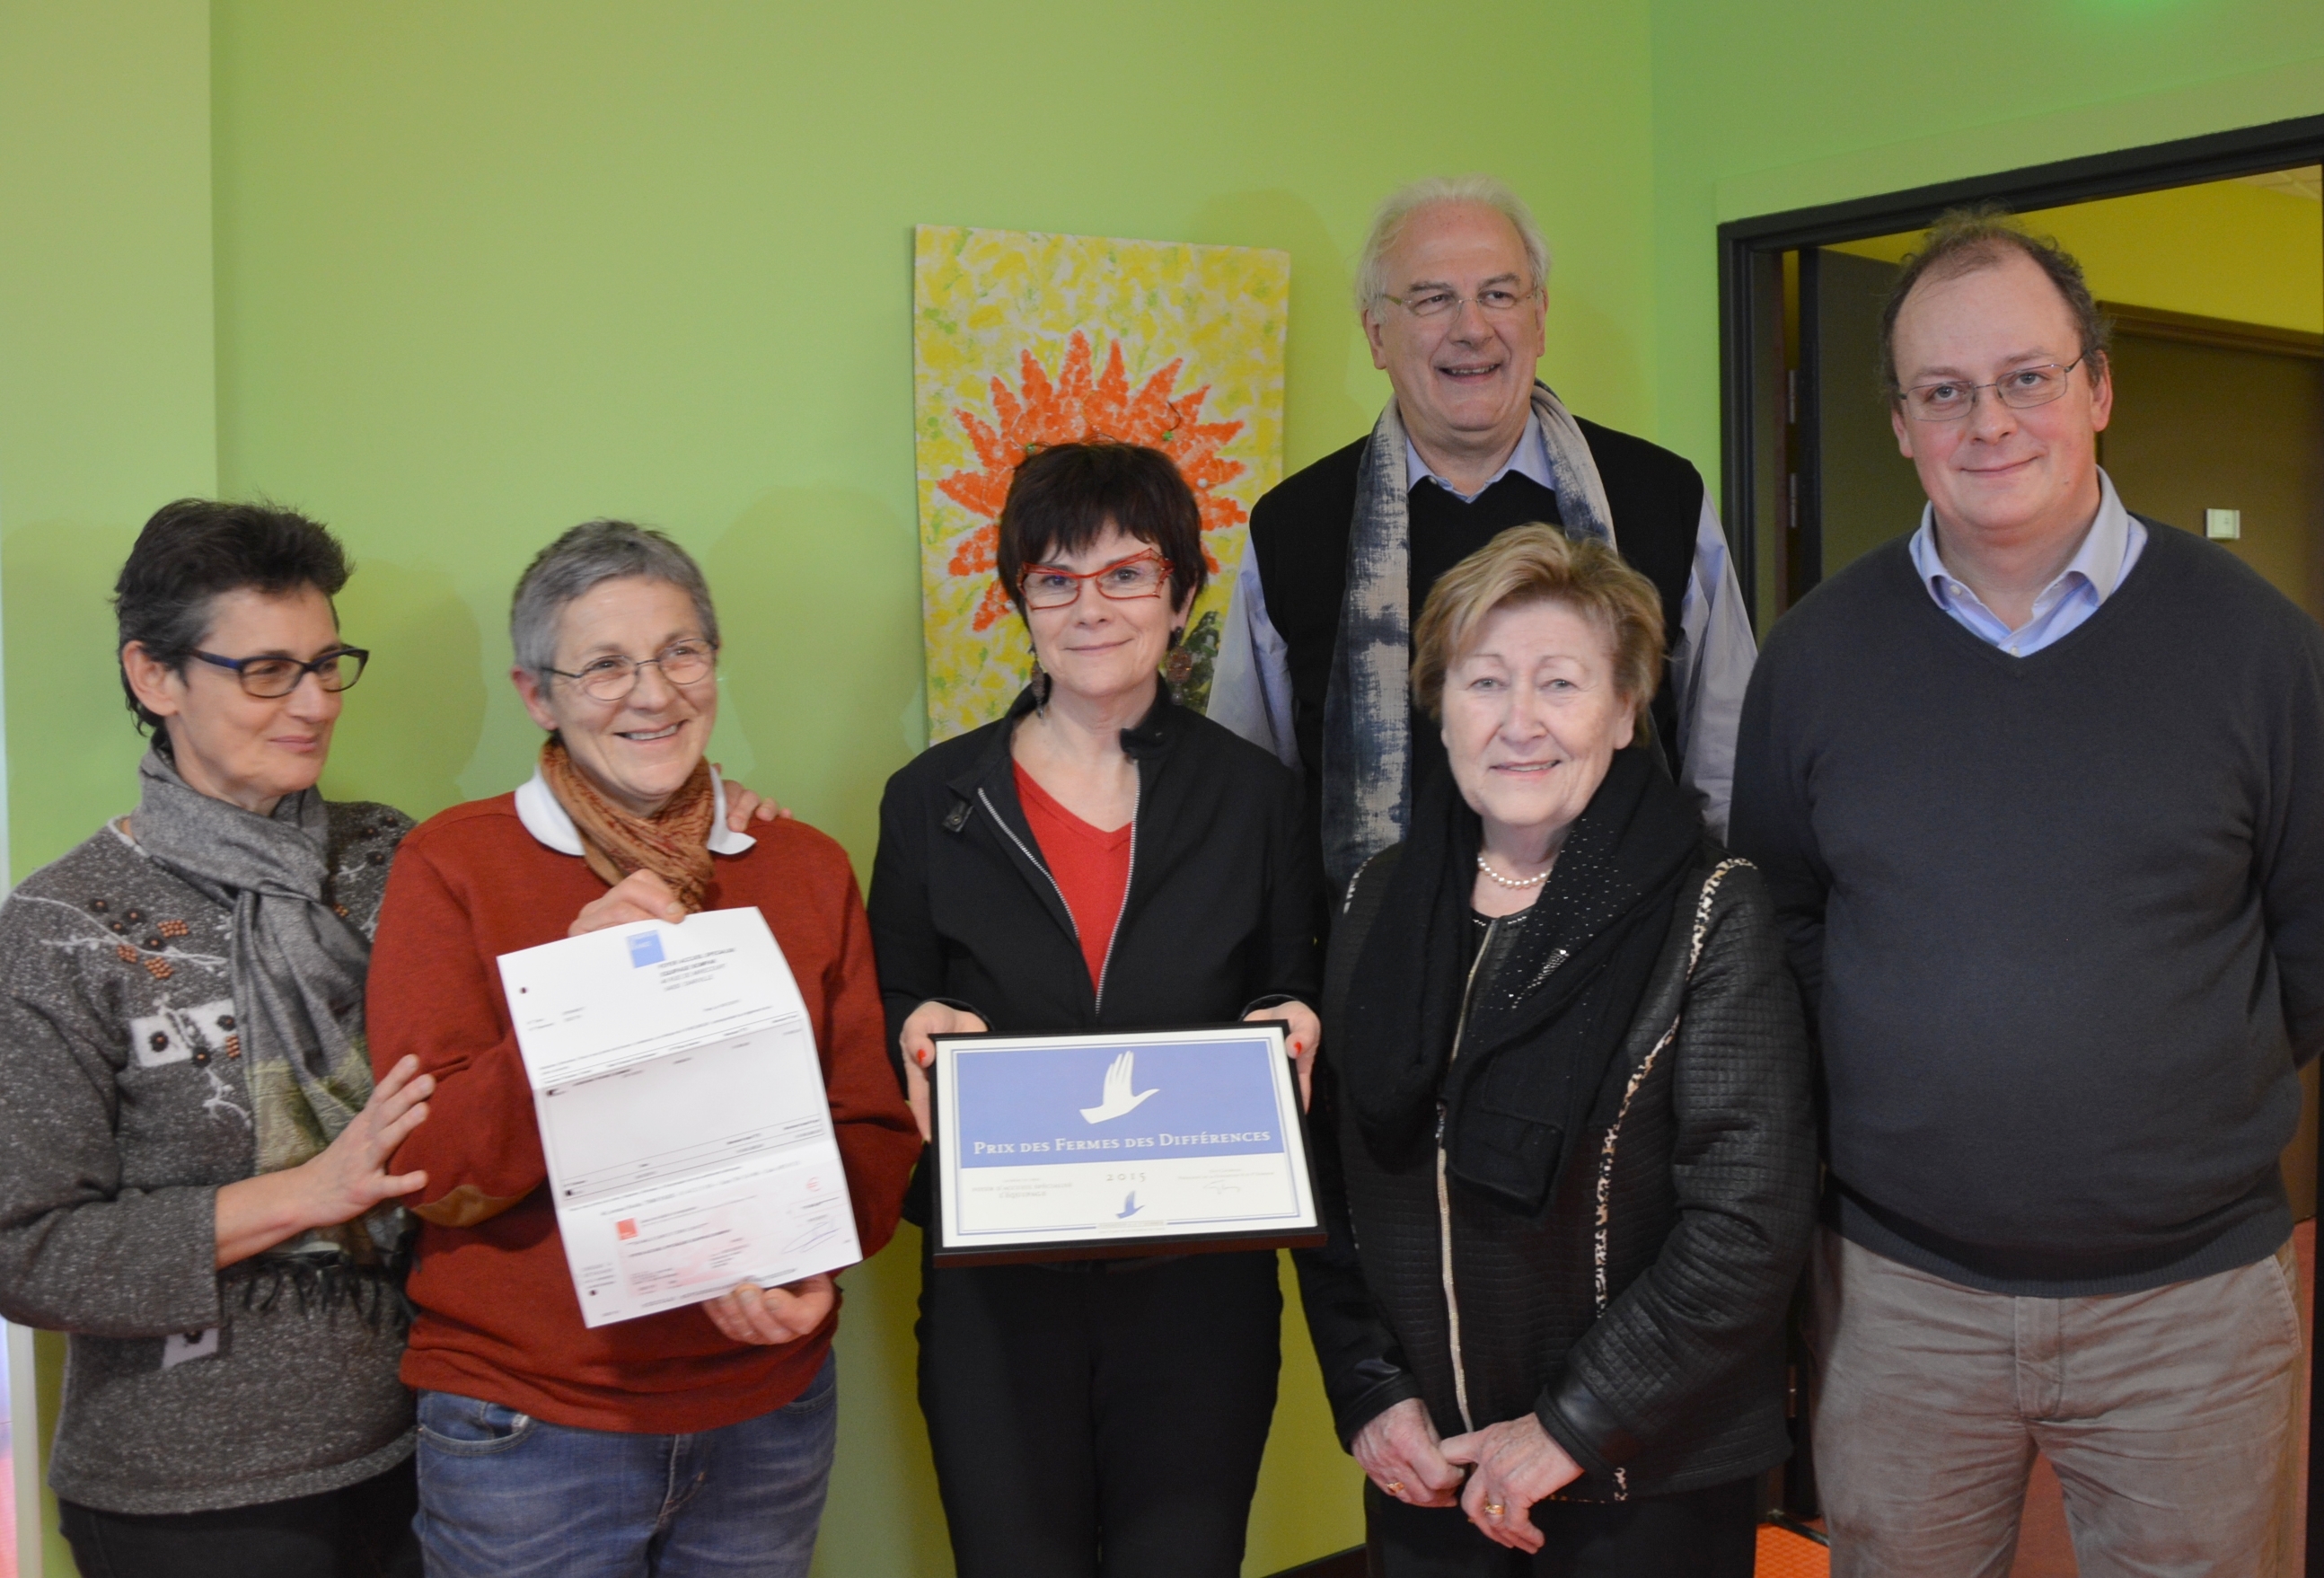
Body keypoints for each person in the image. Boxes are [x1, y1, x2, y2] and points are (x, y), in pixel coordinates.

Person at [1730, 208, 2324, 1576]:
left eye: (2026, 377)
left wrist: (2174, 1070)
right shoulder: (1816, 658)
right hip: (1900, 1294)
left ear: (2098, 387)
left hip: (2190, 1304)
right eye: (1945, 391)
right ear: (1899, 424)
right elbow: (1785, 917)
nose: (1988, 420)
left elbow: (2312, 933)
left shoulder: (2259, 650)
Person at [367, 520, 920, 1578]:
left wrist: (811, 1254)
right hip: (533, 1423)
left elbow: (867, 1122)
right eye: (605, 665)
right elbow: (430, 1165)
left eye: (680, 652)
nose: (653, 693)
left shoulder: (798, 863)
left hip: (767, 1409)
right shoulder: (452, 862)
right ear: (538, 694)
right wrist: (578, 996)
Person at [1298, 525, 1814, 1575]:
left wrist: (1564, 1428)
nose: (1519, 721)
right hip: (1428, 1464)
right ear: (1439, 705)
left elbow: (1743, 1227)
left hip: (1643, 1476)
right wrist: (1367, 1389)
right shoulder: (1372, 902)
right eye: (1483, 682)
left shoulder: (1712, 908)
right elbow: (1327, 1184)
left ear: (1625, 709)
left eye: (1561, 683)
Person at [868, 441, 1322, 1578]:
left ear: (1179, 590)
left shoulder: (1256, 798)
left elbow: (1292, 977)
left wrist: (1297, 1017)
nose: (1090, 606)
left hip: (1197, 1294)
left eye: (1125, 572)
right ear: (1017, 594)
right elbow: (888, 989)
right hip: (995, 1299)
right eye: (1055, 578)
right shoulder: (932, 800)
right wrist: (909, 1028)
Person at [0, 500, 428, 1576]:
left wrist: (681, 825)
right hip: (187, 1499)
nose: (317, 702)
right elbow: (26, 1250)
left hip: (432, 1444)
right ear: (155, 677)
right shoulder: (68, 922)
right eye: (268, 671)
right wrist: (309, 1190)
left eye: (329, 663)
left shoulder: (393, 858)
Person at [1211, 173, 1756, 900]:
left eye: (1500, 294)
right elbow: (1246, 792)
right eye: (1433, 299)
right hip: (1367, 966)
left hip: (1626, 949)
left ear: (1540, 318)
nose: (1472, 327)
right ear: (1376, 334)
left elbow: (1728, 763)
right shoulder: (1294, 526)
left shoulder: (1660, 497)